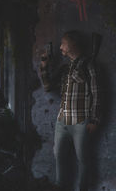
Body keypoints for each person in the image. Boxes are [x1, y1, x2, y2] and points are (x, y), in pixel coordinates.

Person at [40, 30, 100, 191]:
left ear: (73, 44)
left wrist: (94, 119)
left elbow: (96, 93)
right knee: (59, 158)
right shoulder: (65, 68)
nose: (60, 47)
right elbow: (47, 87)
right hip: (62, 121)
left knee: (83, 160)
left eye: (63, 43)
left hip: (81, 122)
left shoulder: (88, 65)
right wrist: (44, 67)